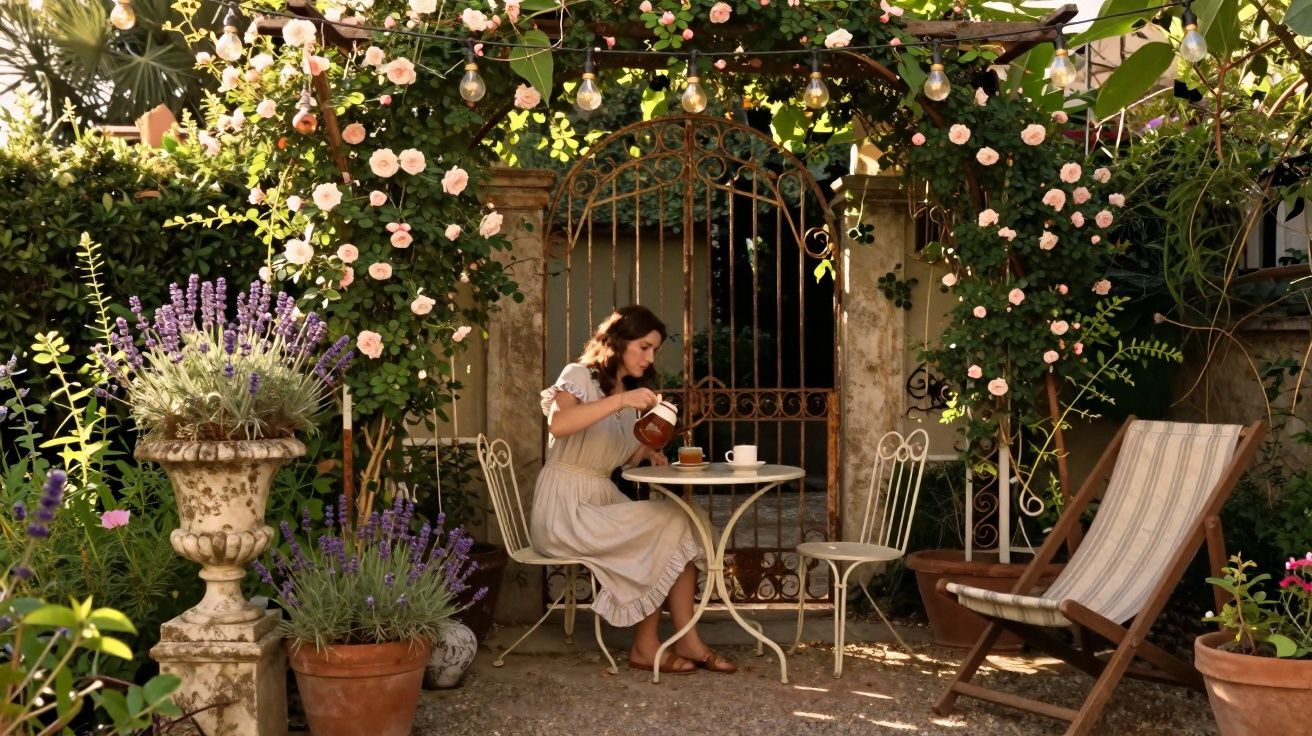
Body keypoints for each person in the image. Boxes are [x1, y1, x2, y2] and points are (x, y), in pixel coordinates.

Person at [533, 305, 736, 675]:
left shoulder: (630, 396)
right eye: (644, 347)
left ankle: (680, 637)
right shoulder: (580, 375)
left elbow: (619, 460)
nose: (650, 357)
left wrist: (649, 450)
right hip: (566, 508)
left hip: (601, 500)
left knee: (685, 521)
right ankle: (649, 646)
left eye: (654, 350)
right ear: (618, 342)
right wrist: (622, 401)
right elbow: (559, 425)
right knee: (669, 523)